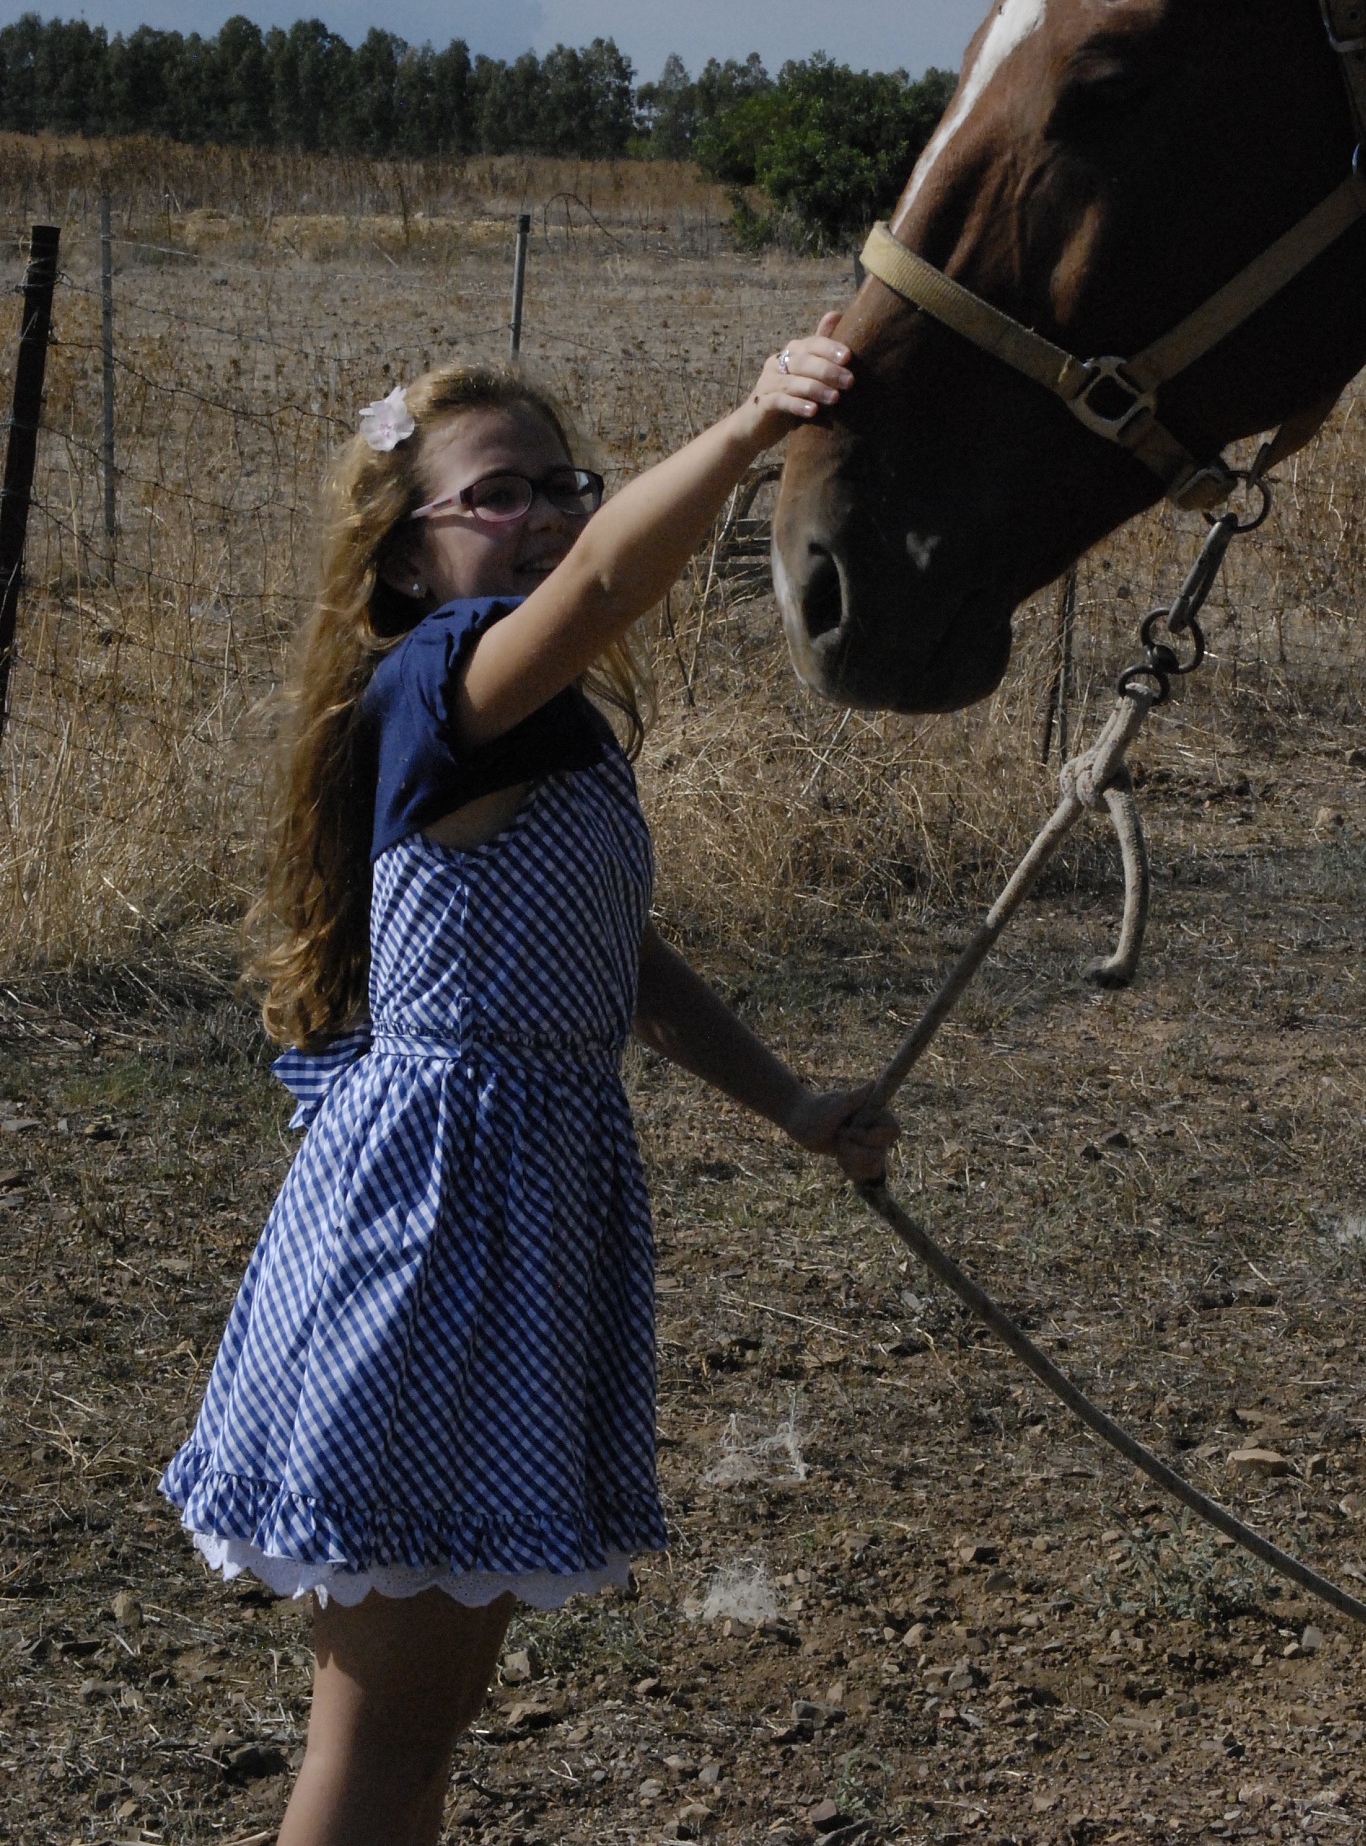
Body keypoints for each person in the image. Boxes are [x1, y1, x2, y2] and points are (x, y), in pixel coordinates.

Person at [160, 327, 897, 1846]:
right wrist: (749, 423)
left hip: (509, 1233)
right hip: (441, 1252)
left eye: (561, 482)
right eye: (496, 494)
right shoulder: (444, 682)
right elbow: (608, 587)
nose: (547, 514)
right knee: (382, 1753)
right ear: (405, 555)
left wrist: (793, 1105)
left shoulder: (541, 727)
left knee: (408, 1750)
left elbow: (615, 961)